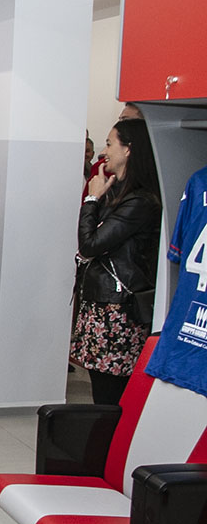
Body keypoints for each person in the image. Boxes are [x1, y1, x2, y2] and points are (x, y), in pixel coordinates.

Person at [71, 118, 161, 405]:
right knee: (101, 390)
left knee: (110, 396)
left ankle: (110, 436)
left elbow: (90, 244)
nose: (103, 151)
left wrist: (91, 199)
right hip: (101, 305)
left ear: (129, 149)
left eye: (110, 144)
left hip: (117, 313)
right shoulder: (117, 192)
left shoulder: (140, 202)